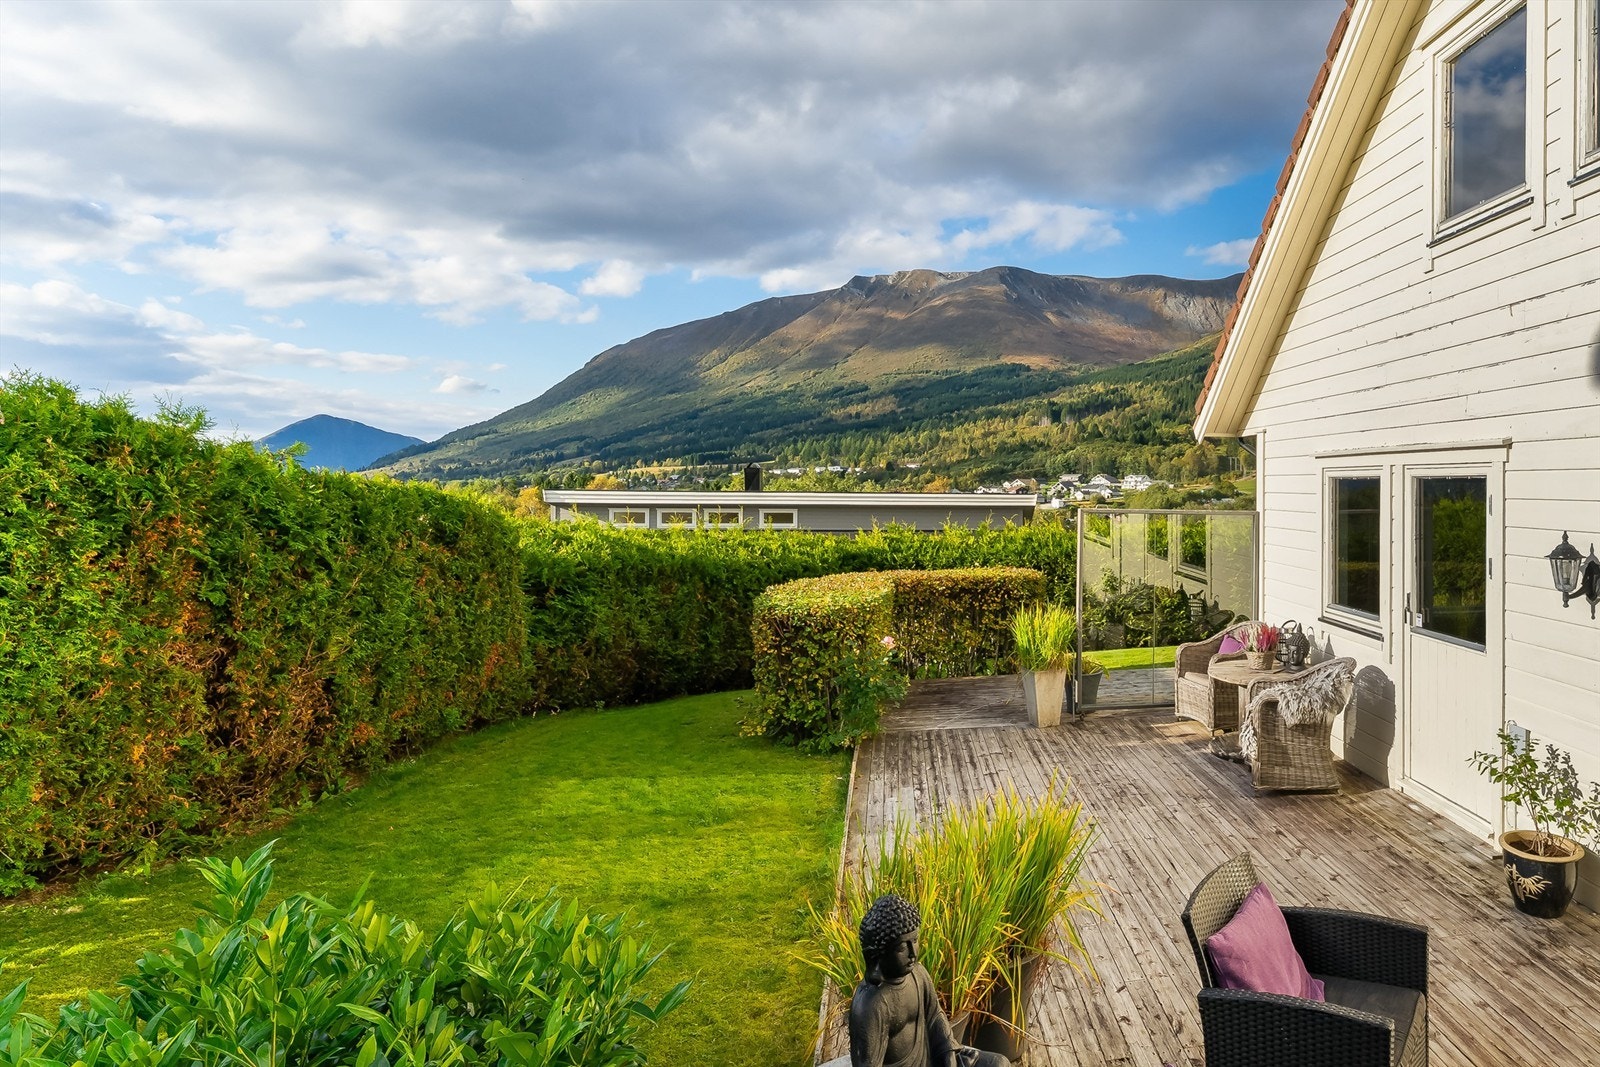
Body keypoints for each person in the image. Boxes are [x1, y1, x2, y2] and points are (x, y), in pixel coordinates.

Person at [848, 894, 1010, 1067]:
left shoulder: (918, 974)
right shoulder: (871, 1005)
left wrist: (948, 1054)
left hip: (933, 1057)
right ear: (877, 954)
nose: (912, 953)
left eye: (914, 941)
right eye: (902, 947)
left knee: (998, 1063)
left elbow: (935, 1017)